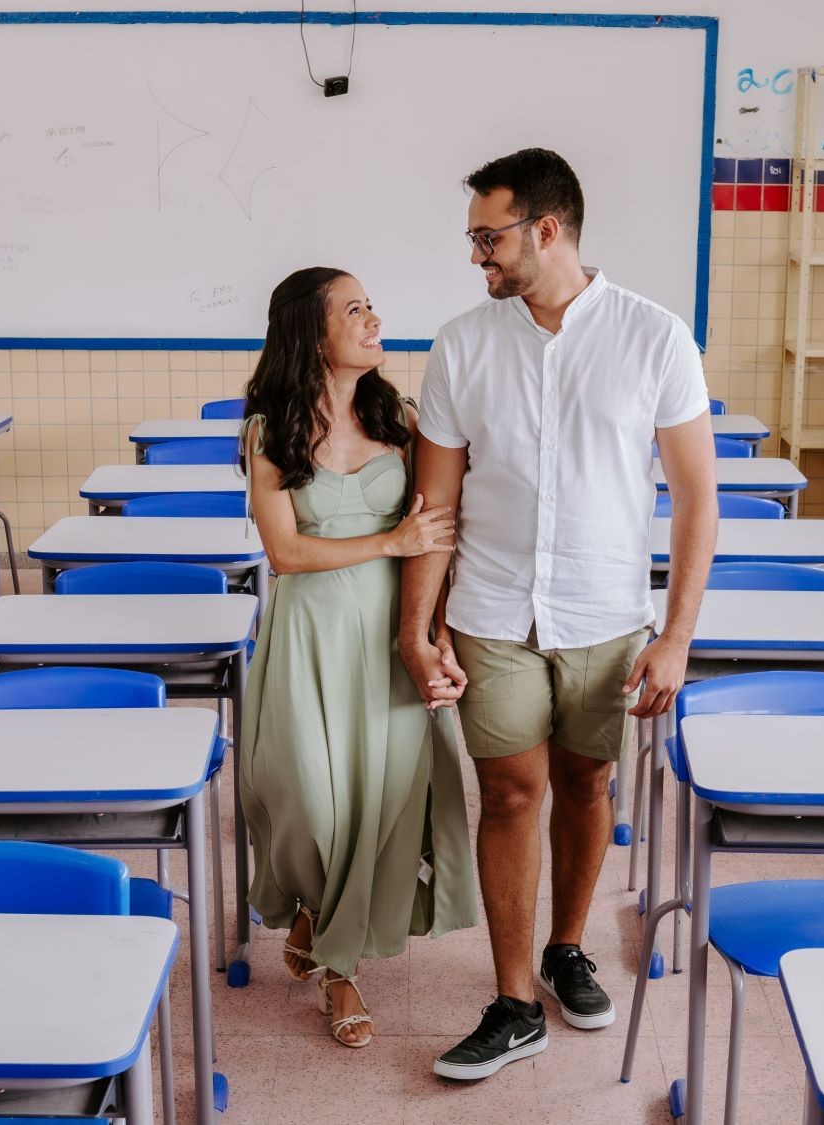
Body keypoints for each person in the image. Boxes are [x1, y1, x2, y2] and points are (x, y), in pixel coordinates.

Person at [401, 148, 718, 1080]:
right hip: (493, 610)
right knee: (509, 793)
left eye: (487, 237)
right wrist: (416, 631)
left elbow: (699, 500)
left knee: (586, 787)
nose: (476, 257)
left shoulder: (656, 338)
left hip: (607, 614)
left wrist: (676, 637)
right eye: (473, 239)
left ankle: (566, 947)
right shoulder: (462, 344)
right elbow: (434, 512)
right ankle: (512, 1000)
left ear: (547, 228)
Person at [238, 266, 480, 1049]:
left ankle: (338, 967)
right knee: (313, 800)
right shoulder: (269, 428)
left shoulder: (401, 417)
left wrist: (438, 627)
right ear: (312, 331)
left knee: (380, 809)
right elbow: (283, 552)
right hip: (311, 637)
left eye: (372, 305)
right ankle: (312, 914)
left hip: (389, 635)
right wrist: (390, 539)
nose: (374, 319)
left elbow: (439, 538)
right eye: (355, 309)